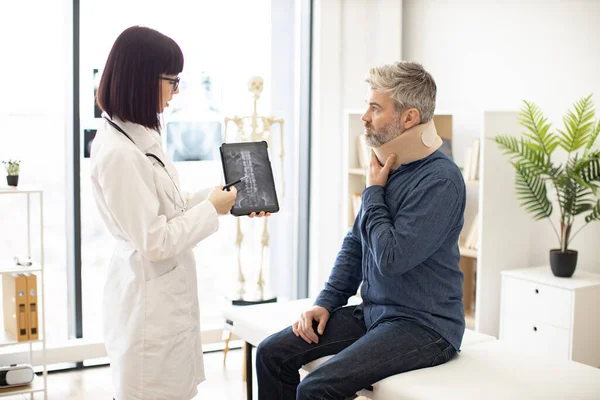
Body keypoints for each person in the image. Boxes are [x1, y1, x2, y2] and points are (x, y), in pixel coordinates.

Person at [256, 61, 466, 399]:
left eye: (374, 107)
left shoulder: (441, 180)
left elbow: (391, 258)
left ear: (409, 118)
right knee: (271, 354)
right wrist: (326, 303)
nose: (364, 116)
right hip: (377, 313)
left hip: (425, 326)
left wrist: (372, 192)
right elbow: (356, 243)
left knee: (317, 387)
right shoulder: (390, 167)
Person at [90, 26, 268, 400]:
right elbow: (155, 241)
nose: (177, 91)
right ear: (142, 79)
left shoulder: (136, 137)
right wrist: (209, 210)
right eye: (172, 80)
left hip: (162, 298)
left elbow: (167, 208)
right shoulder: (119, 153)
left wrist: (220, 199)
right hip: (147, 305)